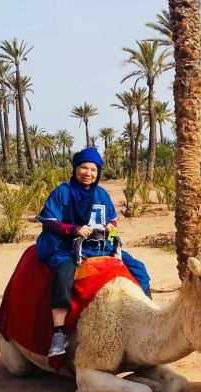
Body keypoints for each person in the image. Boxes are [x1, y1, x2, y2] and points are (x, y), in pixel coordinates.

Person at [36, 147, 151, 357]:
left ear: (98, 173)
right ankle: (59, 333)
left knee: (138, 268)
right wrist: (72, 229)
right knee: (63, 273)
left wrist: (111, 229)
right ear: (76, 168)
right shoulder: (62, 192)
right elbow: (48, 219)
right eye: (84, 168)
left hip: (100, 246)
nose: (88, 173)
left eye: (93, 169)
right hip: (66, 246)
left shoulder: (101, 194)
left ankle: (147, 317)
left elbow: (113, 219)